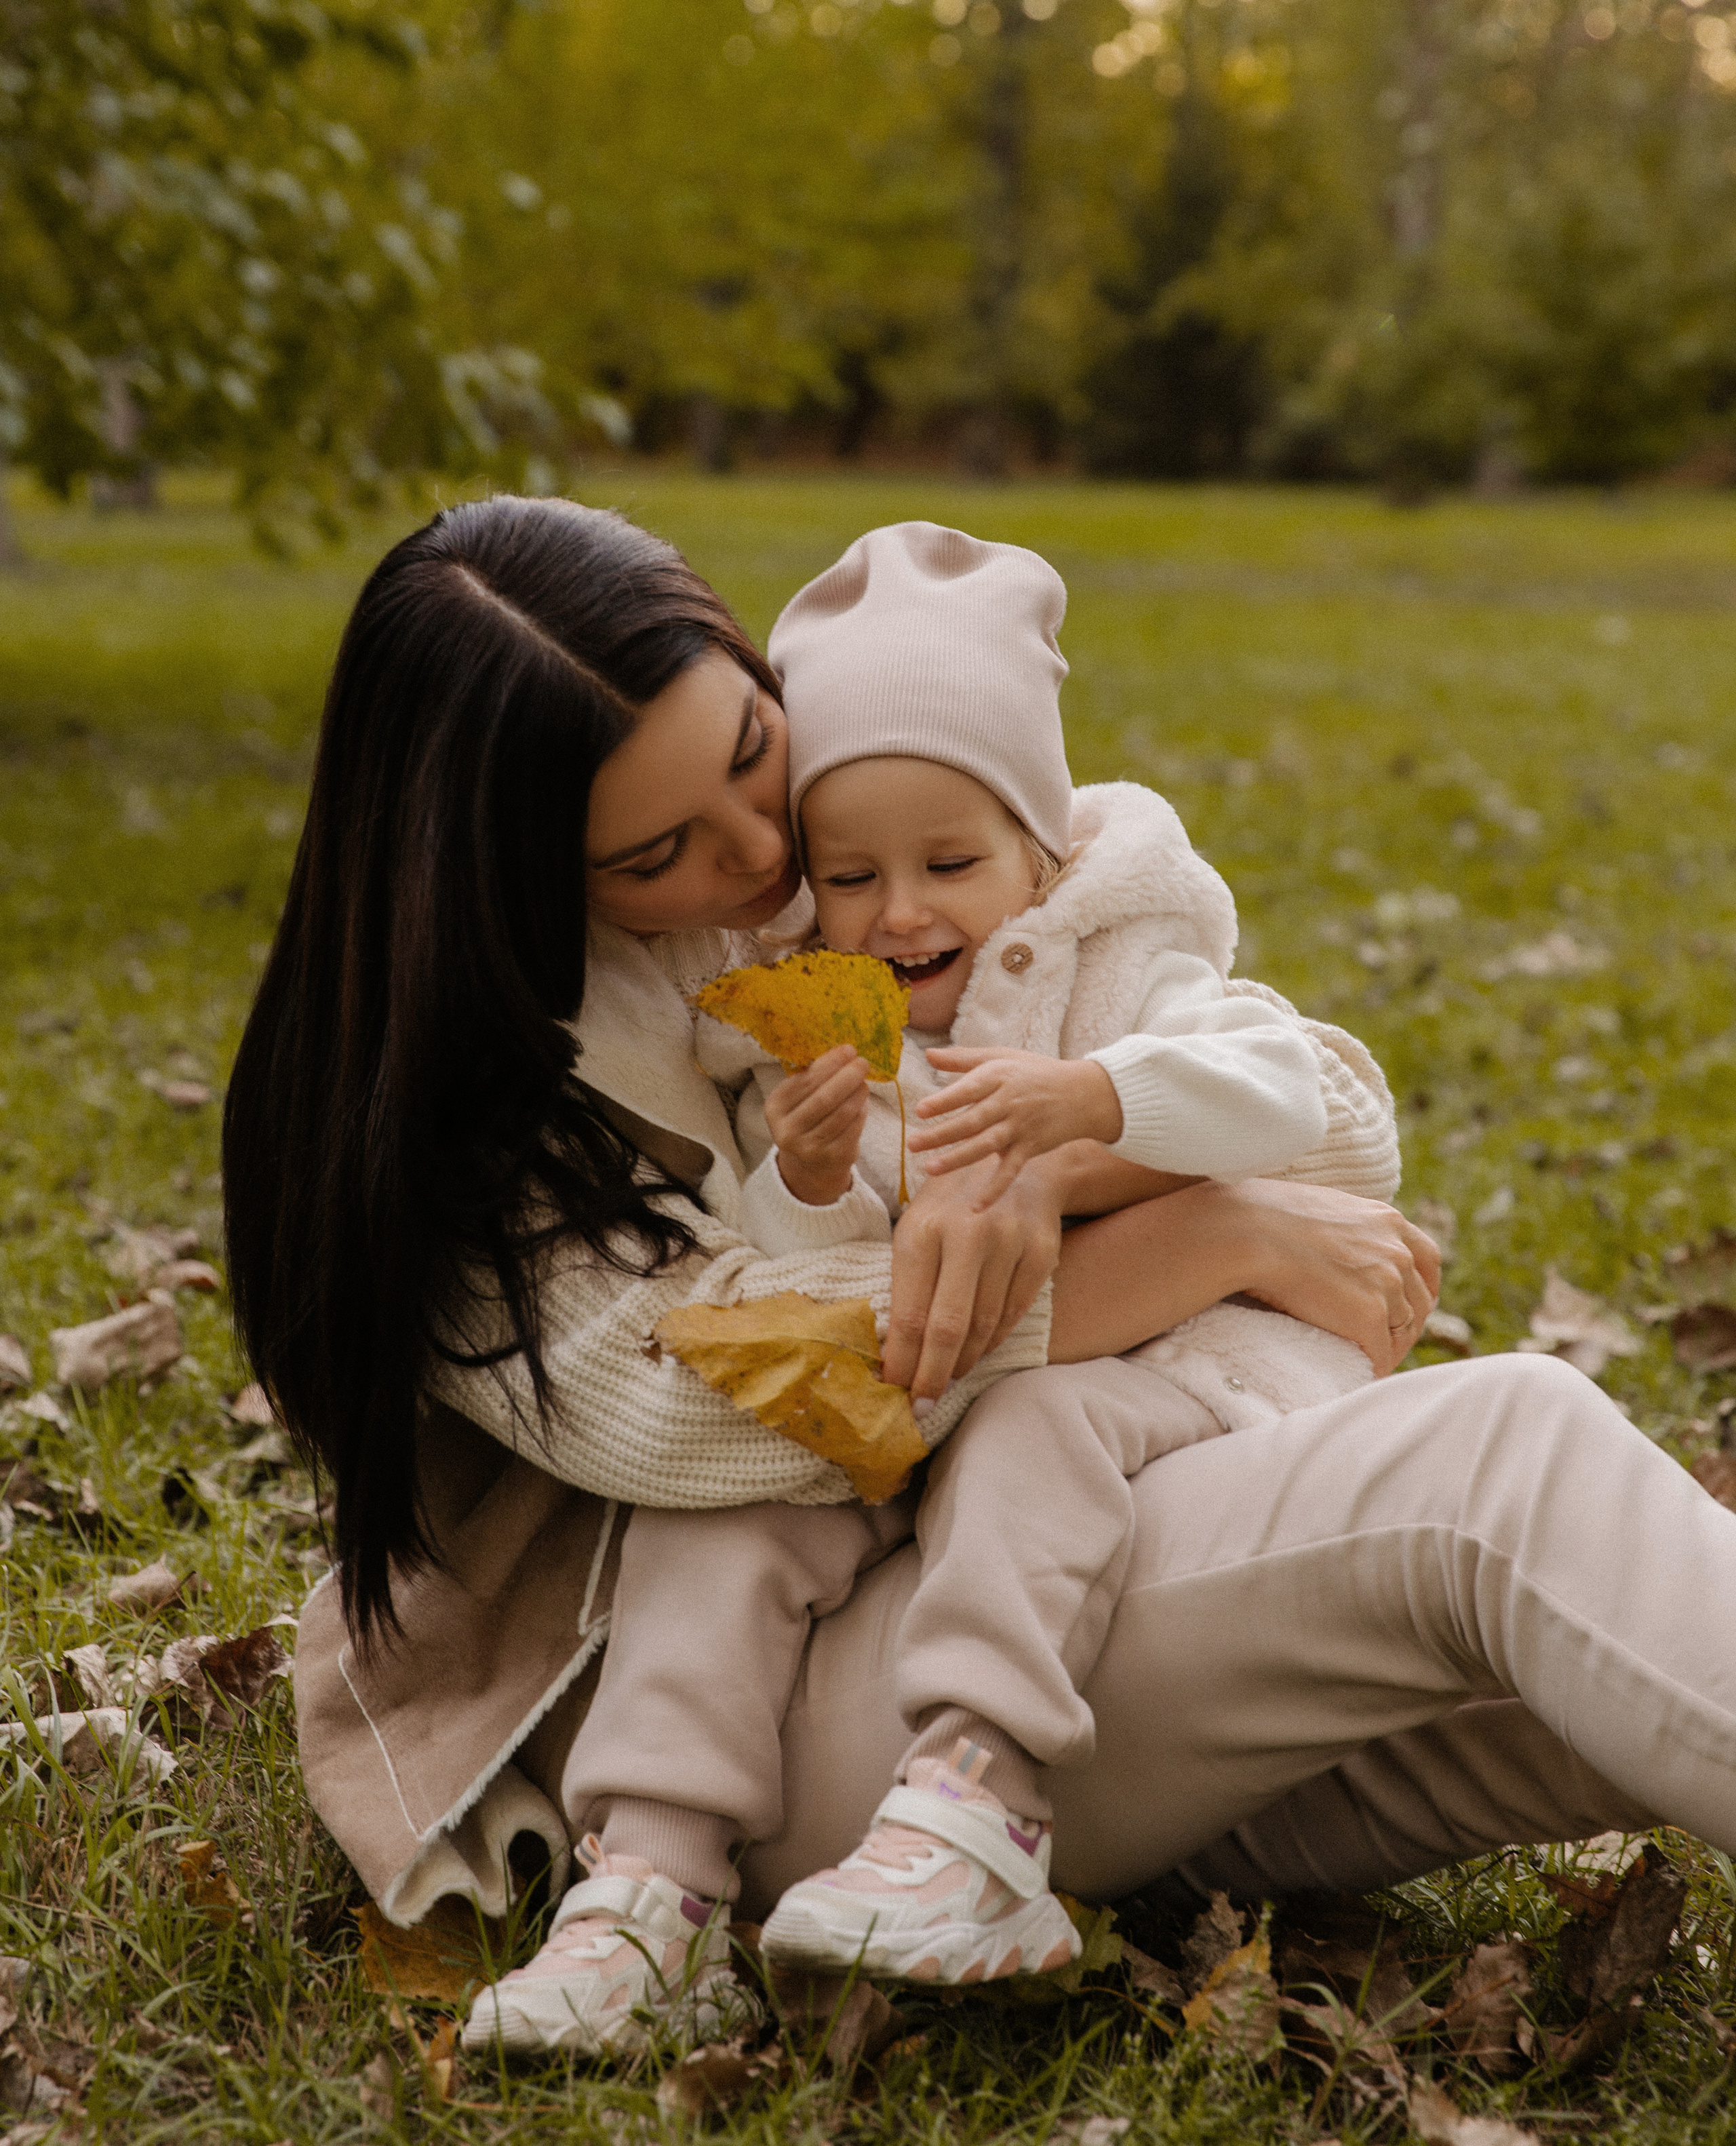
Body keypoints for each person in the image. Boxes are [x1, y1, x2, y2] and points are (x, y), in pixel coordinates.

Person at [226, 496, 1736, 2071]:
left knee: (1575, 1649)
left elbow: (1332, 1107)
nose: (760, 858)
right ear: (503, 872)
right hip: (729, 1736)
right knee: (1498, 1462)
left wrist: (1067, 1162)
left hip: (970, 1592)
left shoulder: (877, 846)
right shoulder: (461, 1119)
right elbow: (761, 1409)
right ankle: (683, 1920)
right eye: (659, 851)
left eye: (751, 745)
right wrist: (1224, 1239)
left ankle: (1012, 1850)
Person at [532, 522, 1398, 2027]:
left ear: (1040, 850)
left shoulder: (1117, 962)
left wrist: (1098, 1106)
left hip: (1166, 1375)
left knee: (1033, 1430)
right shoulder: (821, 1035)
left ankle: (975, 1805)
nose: (901, 910)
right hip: (923, 1403)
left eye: (950, 860)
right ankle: (650, 1886)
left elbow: (1282, 1086)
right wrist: (801, 1183)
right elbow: (821, 1279)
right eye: (850, 874)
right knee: (722, 1518)